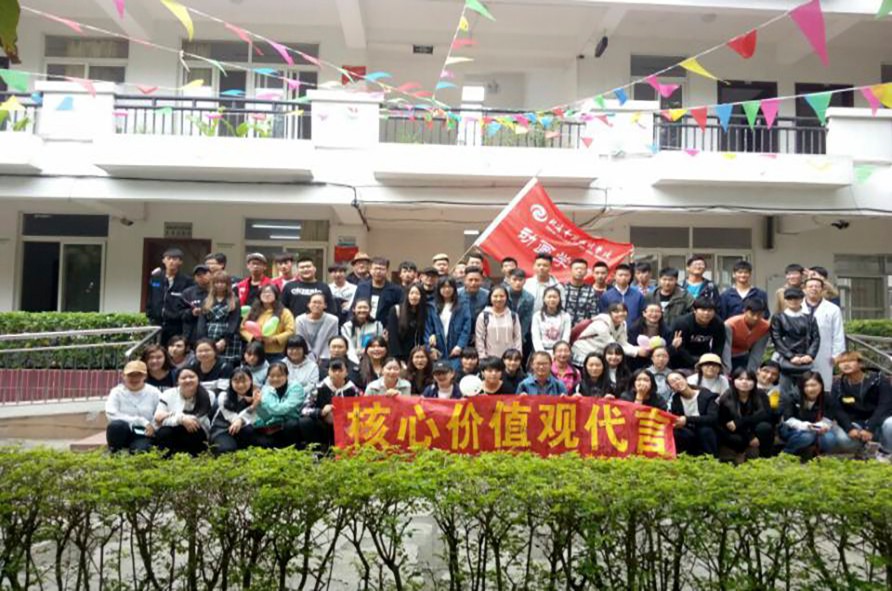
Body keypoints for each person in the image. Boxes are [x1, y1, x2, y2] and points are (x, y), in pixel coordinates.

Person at [828, 351, 892, 460]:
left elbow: (884, 405)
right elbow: (837, 410)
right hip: (856, 423)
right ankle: (862, 449)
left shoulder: (878, 379)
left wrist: (869, 428)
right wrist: (849, 428)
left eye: (850, 361)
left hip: (879, 421)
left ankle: (886, 452)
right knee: (843, 439)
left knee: (890, 424)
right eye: (842, 362)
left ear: (860, 364)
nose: (846, 364)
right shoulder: (837, 385)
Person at [770, 287, 820, 398]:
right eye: (790, 298)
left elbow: (816, 338)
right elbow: (776, 338)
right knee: (784, 394)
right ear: (785, 300)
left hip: (805, 359)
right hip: (785, 359)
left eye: (796, 298)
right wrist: (790, 356)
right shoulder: (778, 318)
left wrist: (810, 355)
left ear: (802, 299)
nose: (793, 301)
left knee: (805, 392)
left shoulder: (810, 318)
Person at [301, 358, 361, 450]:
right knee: (305, 422)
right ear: (328, 372)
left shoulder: (353, 389)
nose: (337, 373)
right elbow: (304, 409)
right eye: (334, 370)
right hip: (323, 425)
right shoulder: (318, 387)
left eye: (340, 370)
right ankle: (316, 451)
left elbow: (362, 409)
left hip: (347, 425)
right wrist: (321, 412)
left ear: (346, 373)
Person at [717, 368, 773, 463]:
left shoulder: (760, 394)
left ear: (754, 382)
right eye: (740, 379)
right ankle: (740, 453)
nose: (744, 382)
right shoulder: (727, 397)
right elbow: (728, 423)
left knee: (765, 427)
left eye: (748, 379)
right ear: (733, 381)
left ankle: (765, 457)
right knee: (736, 439)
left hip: (752, 426)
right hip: (736, 431)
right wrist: (749, 437)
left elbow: (766, 414)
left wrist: (741, 421)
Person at [154, 367, 212, 457]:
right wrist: (180, 419)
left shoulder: (209, 395)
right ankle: (166, 457)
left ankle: (193, 457)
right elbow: (158, 417)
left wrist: (169, 416)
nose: (188, 380)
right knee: (164, 432)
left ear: (198, 378)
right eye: (183, 378)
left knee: (193, 428)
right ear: (177, 381)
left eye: (191, 377)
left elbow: (197, 420)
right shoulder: (168, 393)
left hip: (196, 431)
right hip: (172, 429)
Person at [105, 360, 161, 453]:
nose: (134, 378)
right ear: (123, 376)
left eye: (138, 375)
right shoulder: (116, 392)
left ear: (145, 376)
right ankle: (114, 453)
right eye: (130, 375)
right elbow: (111, 414)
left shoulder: (154, 392)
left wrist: (153, 426)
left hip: (144, 433)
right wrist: (141, 421)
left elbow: (161, 412)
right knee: (116, 425)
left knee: (140, 451)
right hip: (123, 431)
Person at [779, 371, 835, 459]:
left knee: (830, 439)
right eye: (806, 386)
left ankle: (816, 456)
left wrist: (822, 426)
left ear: (821, 385)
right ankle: (786, 454)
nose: (810, 389)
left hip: (816, 428)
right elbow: (788, 419)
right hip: (792, 428)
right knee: (807, 437)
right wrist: (806, 426)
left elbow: (828, 418)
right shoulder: (792, 396)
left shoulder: (826, 397)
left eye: (813, 385)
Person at [802, 276, 845, 389]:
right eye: (810, 286)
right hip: (800, 354)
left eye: (817, 286)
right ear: (804, 289)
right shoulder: (797, 307)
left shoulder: (833, 309)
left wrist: (837, 355)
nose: (814, 289)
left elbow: (838, 334)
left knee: (823, 384)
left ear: (822, 289)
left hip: (824, 354)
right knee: (801, 384)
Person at [147, 247, 193, 345]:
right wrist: (150, 314)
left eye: (175, 259)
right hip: (157, 323)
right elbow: (150, 297)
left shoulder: (187, 281)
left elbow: (188, 303)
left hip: (176, 325)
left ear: (180, 262)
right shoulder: (156, 278)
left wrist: (180, 315)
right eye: (168, 258)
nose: (171, 262)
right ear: (163, 261)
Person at [253, 362, 305, 449]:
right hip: (274, 424)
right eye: (272, 376)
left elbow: (282, 409)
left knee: (291, 424)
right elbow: (266, 416)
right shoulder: (266, 389)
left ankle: (297, 448)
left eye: (279, 375)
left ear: (287, 376)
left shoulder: (296, 387)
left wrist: (263, 402)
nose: (275, 379)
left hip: (292, 422)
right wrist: (258, 405)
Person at [667, 371, 718, 457]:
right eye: (672, 382)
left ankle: (711, 459)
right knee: (678, 433)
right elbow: (676, 418)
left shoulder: (707, 395)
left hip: (706, 428)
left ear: (685, 379)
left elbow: (712, 418)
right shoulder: (675, 400)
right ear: (671, 388)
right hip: (688, 430)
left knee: (705, 431)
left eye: (678, 379)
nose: (677, 383)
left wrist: (687, 419)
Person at [571, 302, 640, 366]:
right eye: (616, 312)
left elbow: (622, 342)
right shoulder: (601, 324)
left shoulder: (623, 324)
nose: (620, 314)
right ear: (610, 313)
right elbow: (612, 346)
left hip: (598, 354)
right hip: (582, 352)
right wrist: (636, 352)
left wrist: (638, 349)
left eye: (623, 311)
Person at [240, 284, 295, 363]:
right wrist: (252, 338)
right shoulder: (252, 311)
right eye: (264, 292)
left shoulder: (285, 312)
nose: (267, 294)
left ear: (276, 295)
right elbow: (242, 328)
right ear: (259, 295)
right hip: (254, 352)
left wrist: (274, 339)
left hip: (276, 353)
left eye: (270, 292)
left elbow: (291, 331)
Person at [209, 368, 258, 455]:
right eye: (236, 381)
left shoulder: (256, 396)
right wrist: (251, 408)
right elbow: (231, 417)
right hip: (222, 430)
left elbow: (253, 418)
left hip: (242, 430)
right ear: (230, 382)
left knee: (252, 432)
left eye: (244, 381)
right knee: (226, 450)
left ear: (251, 381)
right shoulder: (223, 396)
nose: (240, 385)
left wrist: (254, 404)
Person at [669, 297, 726, 371]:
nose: (706, 313)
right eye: (703, 310)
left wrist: (710, 360)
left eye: (710, 310)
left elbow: (719, 346)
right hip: (682, 359)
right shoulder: (682, 323)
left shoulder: (718, 324)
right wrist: (695, 362)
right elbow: (679, 347)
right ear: (694, 310)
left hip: (704, 357)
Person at [196, 272, 241, 361]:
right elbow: (202, 322)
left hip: (228, 338)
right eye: (217, 282)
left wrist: (225, 340)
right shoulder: (206, 301)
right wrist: (205, 340)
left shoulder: (234, 301)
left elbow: (234, 322)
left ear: (228, 284)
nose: (219, 285)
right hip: (209, 336)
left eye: (222, 282)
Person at [427, 277, 471, 370]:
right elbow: (428, 327)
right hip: (438, 348)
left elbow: (466, 327)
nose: (446, 289)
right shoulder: (432, 306)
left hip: (456, 348)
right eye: (443, 287)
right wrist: (430, 346)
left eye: (449, 287)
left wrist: (460, 346)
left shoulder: (463, 305)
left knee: (455, 372)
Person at [475, 285, 523, 360]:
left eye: (502, 296)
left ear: (506, 298)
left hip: (510, 359)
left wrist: (517, 355)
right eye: (495, 296)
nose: (498, 299)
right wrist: (482, 357)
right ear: (490, 298)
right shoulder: (483, 316)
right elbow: (479, 339)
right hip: (490, 359)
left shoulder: (513, 316)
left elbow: (517, 337)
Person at [387, 284, 430, 362]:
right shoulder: (396, 310)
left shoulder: (423, 313)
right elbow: (393, 338)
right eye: (411, 293)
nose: (414, 296)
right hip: (400, 357)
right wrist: (399, 360)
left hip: (417, 358)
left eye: (417, 294)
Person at [352, 257, 403, 323]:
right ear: (370, 270)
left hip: (385, 326)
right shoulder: (362, 287)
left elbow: (400, 312)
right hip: (363, 325)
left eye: (382, 269)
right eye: (376, 268)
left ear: (387, 271)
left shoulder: (396, 290)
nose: (378, 272)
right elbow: (354, 307)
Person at [725, 299, 771, 373]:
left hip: (743, 355)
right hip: (727, 355)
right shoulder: (730, 324)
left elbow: (758, 351)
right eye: (752, 314)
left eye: (759, 315)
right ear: (745, 311)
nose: (755, 318)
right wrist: (726, 370)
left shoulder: (765, 327)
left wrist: (751, 373)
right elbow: (726, 348)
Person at [295, 293, 341, 363]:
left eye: (319, 303)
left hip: (326, 357)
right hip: (305, 356)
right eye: (314, 302)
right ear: (308, 304)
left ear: (325, 305)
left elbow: (331, 341)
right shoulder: (300, 320)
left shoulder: (333, 320)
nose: (316, 305)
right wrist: (311, 358)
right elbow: (301, 340)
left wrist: (323, 358)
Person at [627, 302, 670, 369]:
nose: (654, 314)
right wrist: (638, 350)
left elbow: (668, 350)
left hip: (659, 364)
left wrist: (673, 346)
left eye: (657, 311)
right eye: (651, 311)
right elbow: (629, 346)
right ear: (644, 313)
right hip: (637, 363)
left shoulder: (666, 330)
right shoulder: (634, 329)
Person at [531, 286, 571, 354]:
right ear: (544, 299)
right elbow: (536, 337)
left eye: (555, 297)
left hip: (559, 353)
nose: (552, 299)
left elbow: (566, 337)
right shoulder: (537, 316)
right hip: (541, 351)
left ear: (559, 299)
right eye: (549, 297)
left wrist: (558, 353)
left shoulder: (566, 316)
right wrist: (543, 354)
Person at [178, 264, 211, 344]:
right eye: (198, 275)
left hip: (211, 333)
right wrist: (191, 313)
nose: (202, 276)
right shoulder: (187, 293)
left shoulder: (217, 291)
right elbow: (180, 313)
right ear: (195, 278)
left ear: (211, 274)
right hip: (192, 335)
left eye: (204, 273)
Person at [506, 269, 535, 356]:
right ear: (509, 280)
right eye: (514, 279)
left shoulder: (529, 298)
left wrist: (519, 337)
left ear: (525, 281)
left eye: (520, 280)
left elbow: (526, 320)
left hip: (520, 331)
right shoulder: (502, 293)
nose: (517, 283)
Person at [563, 258, 598, 326]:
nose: (579, 271)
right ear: (570, 270)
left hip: (582, 329)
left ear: (586, 272)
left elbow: (594, 313)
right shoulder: (562, 288)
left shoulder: (591, 291)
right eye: (576, 269)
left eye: (582, 269)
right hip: (563, 328)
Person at [459, 267, 490, 334]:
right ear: (464, 280)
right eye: (470, 280)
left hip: (481, 332)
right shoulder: (456, 295)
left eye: (476, 280)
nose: (473, 283)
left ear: (482, 281)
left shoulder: (488, 295)